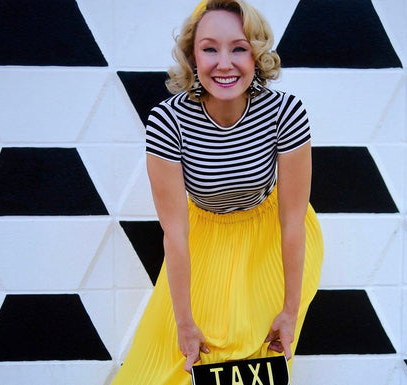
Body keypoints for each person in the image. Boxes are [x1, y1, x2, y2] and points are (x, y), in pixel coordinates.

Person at [111, 0, 323, 384]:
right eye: (210, 48)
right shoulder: (167, 120)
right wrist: (184, 321)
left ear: (257, 55)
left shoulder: (285, 112)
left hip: (271, 240)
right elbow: (174, 232)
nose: (224, 63)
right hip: (200, 239)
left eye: (239, 48)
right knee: (165, 364)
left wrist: (290, 311)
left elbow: (293, 220)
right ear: (193, 56)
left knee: (256, 363)